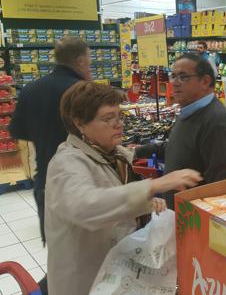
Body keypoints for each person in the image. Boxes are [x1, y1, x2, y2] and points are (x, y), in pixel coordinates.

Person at [45, 81, 202, 295]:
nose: (118, 124)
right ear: (79, 123)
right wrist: (155, 184)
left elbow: (116, 196)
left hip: (118, 274)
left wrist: (145, 205)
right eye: (108, 119)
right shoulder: (67, 163)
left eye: (119, 116)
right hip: (86, 282)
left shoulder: (112, 154)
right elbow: (85, 207)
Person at [9, 36, 91, 293]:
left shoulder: (31, 89)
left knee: (60, 253)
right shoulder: (82, 91)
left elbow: (17, 130)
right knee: (87, 256)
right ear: (79, 61)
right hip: (82, 183)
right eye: (89, 61)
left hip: (45, 181)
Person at [136, 54, 226, 209]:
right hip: (178, 216)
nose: (175, 83)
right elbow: (181, 148)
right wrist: (138, 151)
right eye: (173, 76)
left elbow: (224, 185)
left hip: (194, 221)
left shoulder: (217, 122)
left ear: (205, 81)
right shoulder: (188, 111)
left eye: (183, 77)